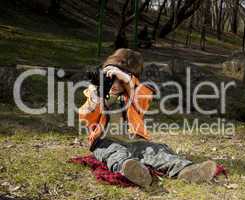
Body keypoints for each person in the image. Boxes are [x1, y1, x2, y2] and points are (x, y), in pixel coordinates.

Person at [79, 49, 223, 188]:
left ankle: (188, 171)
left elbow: (143, 97)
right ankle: (133, 171)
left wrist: (128, 80)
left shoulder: (135, 93)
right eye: (111, 79)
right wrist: (97, 97)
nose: (115, 85)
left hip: (133, 140)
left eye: (120, 81)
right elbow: (86, 117)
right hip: (105, 142)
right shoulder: (95, 95)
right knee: (115, 154)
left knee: (155, 151)